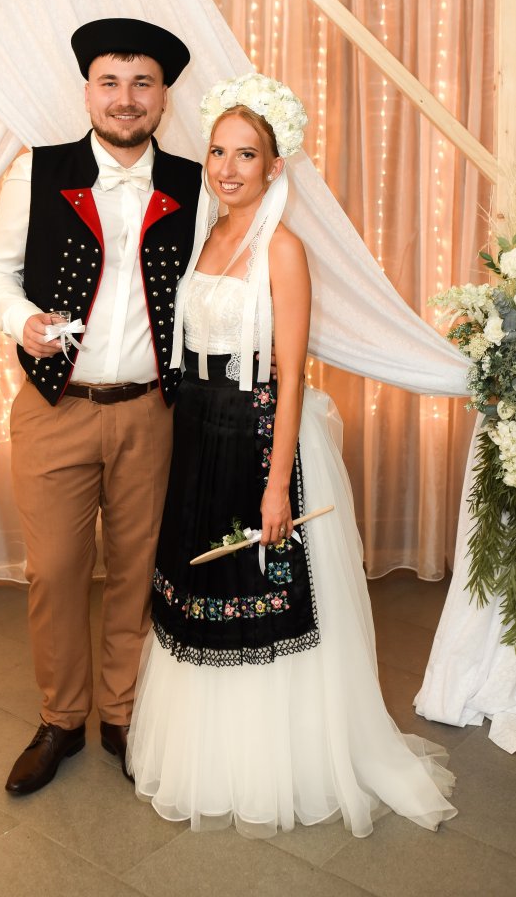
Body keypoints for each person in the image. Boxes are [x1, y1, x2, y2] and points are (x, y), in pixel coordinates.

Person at [126, 73, 458, 838]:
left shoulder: (282, 249)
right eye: (217, 152)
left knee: (259, 592)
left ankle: (271, 764)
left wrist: (276, 487)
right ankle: (204, 757)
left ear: (274, 167)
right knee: (197, 590)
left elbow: (289, 375)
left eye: (245, 155)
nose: (227, 168)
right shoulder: (204, 236)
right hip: (196, 437)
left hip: (255, 438)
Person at [0, 18, 202, 795]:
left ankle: (124, 715)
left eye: (141, 83)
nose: (125, 98)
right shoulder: (36, 170)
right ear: (87, 92)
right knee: (55, 572)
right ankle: (61, 720)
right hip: (54, 407)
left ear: (163, 97)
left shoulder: (195, 183)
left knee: (138, 571)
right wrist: (21, 322)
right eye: (110, 82)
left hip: (153, 413)